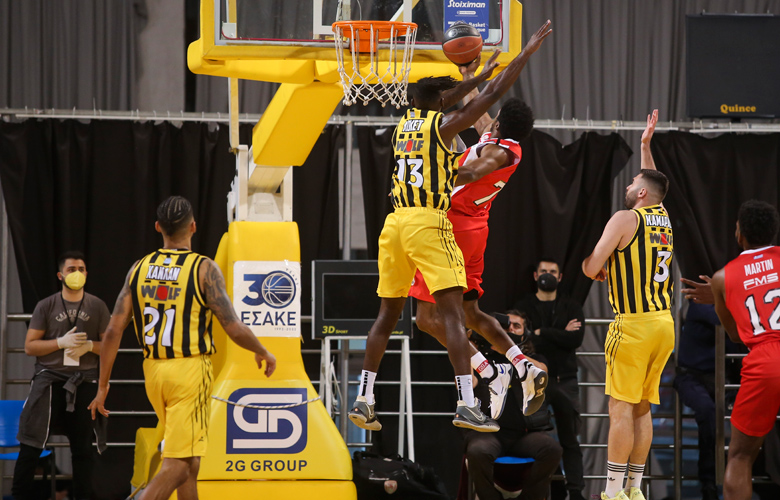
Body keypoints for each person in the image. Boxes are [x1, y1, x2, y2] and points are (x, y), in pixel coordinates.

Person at [349, 21, 553, 433]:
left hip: (421, 222)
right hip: (434, 222)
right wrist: (476, 75)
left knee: (414, 315)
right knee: (454, 315)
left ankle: (367, 397)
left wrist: (491, 70)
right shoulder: (456, 130)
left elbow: (473, 156)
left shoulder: (411, 127)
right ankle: (499, 376)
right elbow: (483, 102)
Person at [88, 196, 277, 500]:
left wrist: (103, 385)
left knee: (189, 462)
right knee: (177, 466)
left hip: (154, 373)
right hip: (188, 372)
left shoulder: (139, 268)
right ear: (193, 227)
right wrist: (262, 350)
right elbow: (232, 326)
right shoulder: (203, 269)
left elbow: (112, 331)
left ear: (158, 227)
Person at [410, 59, 547, 421]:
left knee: (427, 318)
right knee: (471, 313)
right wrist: (470, 78)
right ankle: (522, 365)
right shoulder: (500, 138)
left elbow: (472, 171)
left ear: (501, 123)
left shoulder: (499, 152)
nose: (489, 119)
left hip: (451, 228)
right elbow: (482, 119)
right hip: (474, 229)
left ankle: (488, 372)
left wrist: (436, 169)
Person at [582, 110, 674, 500]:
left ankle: (612, 491)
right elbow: (653, 183)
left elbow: (592, 267)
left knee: (619, 408)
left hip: (633, 325)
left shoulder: (624, 219)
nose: (631, 182)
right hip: (664, 324)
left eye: (634, 181)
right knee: (642, 408)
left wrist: (594, 266)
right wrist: (645, 145)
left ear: (640, 195)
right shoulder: (663, 217)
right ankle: (635, 489)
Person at [12, 251, 109, 500]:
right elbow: (30, 346)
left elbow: (109, 347)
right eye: (71, 269)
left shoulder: (97, 306)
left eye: (81, 269)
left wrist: (90, 346)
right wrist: (59, 343)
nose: (77, 273)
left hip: (84, 380)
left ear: (87, 273)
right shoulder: (46, 305)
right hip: (49, 380)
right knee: (31, 445)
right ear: (60, 275)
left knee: (83, 450)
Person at [710, 200, 780, 500]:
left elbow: (735, 335)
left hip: (764, 361)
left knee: (739, 456)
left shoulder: (722, 278)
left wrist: (722, 297)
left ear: (739, 233)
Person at [462, 312, 562, 500]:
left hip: (523, 433)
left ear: (525, 333)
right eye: (505, 327)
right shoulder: (480, 357)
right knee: (477, 451)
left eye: (516, 326)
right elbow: (469, 382)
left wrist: (511, 353)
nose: (510, 330)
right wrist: (467, 344)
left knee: (552, 449)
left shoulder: (531, 358)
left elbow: (542, 371)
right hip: (488, 433)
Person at [515, 259, 586, 500]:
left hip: (565, 380)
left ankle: (575, 492)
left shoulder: (571, 305)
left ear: (560, 276)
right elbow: (525, 341)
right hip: (534, 382)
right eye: (544, 271)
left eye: (552, 271)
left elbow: (575, 340)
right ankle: (553, 490)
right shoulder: (523, 306)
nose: (548, 275)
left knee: (570, 439)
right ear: (535, 276)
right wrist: (560, 334)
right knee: (539, 439)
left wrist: (541, 332)